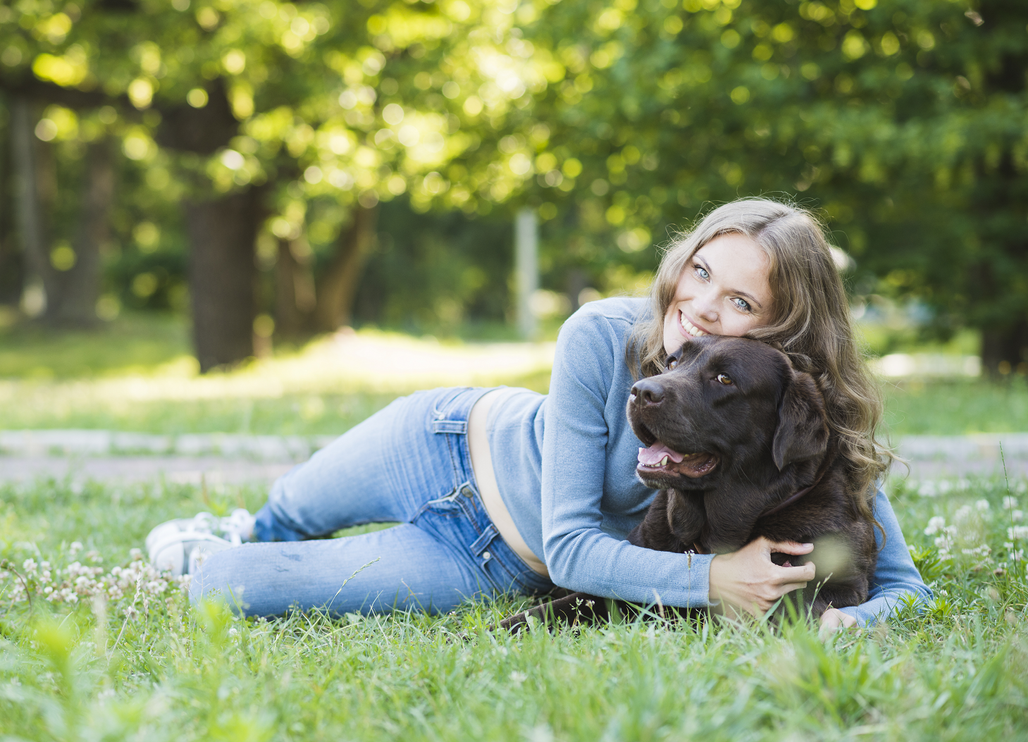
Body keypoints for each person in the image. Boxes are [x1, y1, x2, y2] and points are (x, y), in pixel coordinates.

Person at [147, 197, 932, 634]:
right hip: (442, 440)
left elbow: (905, 588)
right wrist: (713, 579)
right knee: (279, 518)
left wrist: (849, 625)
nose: (697, 306)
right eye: (699, 270)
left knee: (227, 583)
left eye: (739, 300)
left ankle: (215, 554)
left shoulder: (795, 409)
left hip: (482, 558)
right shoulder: (600, 333)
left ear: (779, 330)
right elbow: (574, 541)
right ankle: (229, 525)